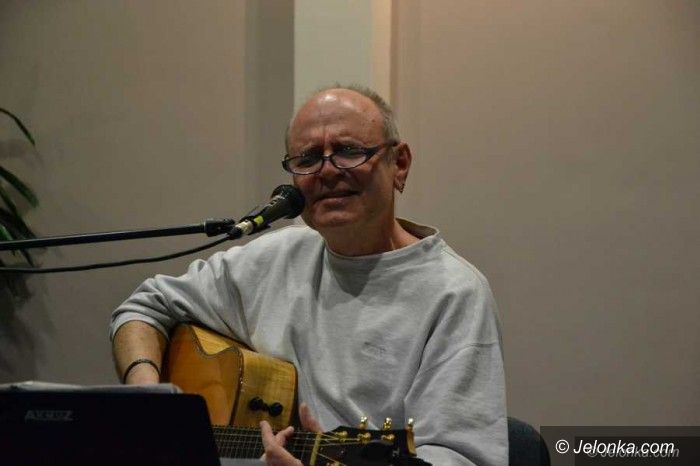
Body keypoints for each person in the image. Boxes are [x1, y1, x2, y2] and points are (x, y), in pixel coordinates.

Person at [110, 85, 508, 465]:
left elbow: (460, 458)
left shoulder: (453, 294)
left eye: (349, 151)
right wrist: (153, 403)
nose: (327, 171)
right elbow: (143, 309)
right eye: (308, 159)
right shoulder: (277, 256)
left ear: (399, 164)